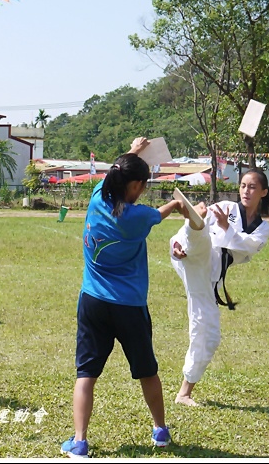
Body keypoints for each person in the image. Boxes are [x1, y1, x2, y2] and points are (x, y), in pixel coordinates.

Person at [60, 137, 188, 458]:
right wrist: (176, 204)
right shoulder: (136, 218)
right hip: (129, 307)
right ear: (135, 186)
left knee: (85, 374)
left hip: (92, 303)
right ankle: (160, 430)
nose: (143, 190)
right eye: (142, 185)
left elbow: (115, 173)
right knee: (147, 370)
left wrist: (132, 151)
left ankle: (79, 442)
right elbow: (160, 214)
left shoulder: (95, 199)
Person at [170, 168, 269, 407]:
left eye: (253, 187)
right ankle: (193, 224)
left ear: (264, 192)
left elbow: (245, 247)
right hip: (192, 258)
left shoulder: (263, 228)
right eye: (244, 185)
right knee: (202, 237)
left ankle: (184, 392)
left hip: (209, 276)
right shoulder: (225, 206)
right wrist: (177, 243)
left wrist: (227, 228)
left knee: (210, 335)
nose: (247, 191)